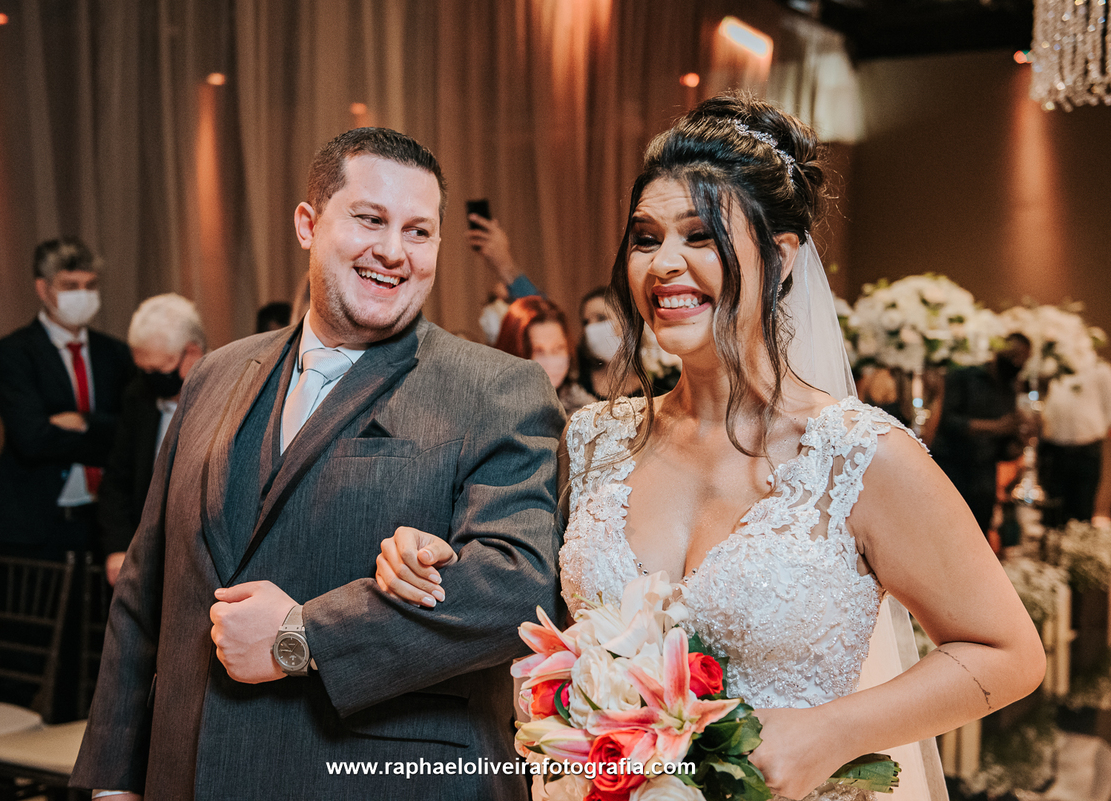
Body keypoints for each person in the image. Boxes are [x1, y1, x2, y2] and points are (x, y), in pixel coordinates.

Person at [376, 94, 1044, 801]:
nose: (664, 263)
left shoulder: (857, 456)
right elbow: (535, 605)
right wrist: (436, 556)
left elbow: (1007, 652)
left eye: (700, 236)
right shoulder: (596, 439)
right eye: (644, 237)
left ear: (782, 258)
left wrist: (830, 731)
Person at [71, 127, 566, 801]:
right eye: (370, 219)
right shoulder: (215, 374)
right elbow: (146, 588)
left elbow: (516, 587)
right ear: (308, 224)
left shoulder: (496, 387)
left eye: (419, 231)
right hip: (184, 774)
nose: (393, 252)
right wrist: (114, 779)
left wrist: (300, 636)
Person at [0, 237, 134, 721]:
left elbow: (127, 435)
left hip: (94, 527)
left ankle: (72, 781)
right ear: (43, 289)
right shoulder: (10, 353)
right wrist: (97, 428)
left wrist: (80, 422)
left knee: (87, 662)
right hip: (29, 530)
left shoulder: (116, 354)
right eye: (70, 285)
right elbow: (31, 439)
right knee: (20, 657)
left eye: (90, 285)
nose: (82, 295)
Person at [97, 294, 207, 587]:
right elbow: (117, 480)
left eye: (158, 371)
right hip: (145, 558)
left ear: (192, 353)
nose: (150, 380)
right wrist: (118, 547)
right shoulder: (139, 397)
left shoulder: (230, 393)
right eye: (142, 371)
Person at [931, 333, 1031, 534]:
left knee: (979, 535)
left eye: (1023, 359)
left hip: (984, 476)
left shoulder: (1010, 389)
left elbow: (1004, 450)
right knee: (945, 532)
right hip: (952, 468)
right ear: (1000, 350)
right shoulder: (964, 377)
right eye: (1014, 355)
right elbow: (949, 422)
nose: (1017, 363)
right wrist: (996, 426)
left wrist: (1021, 440)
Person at [494, 296, 596, 417]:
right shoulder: (494, 414)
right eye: (538, 351)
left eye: (558, 348)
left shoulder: (585, 411)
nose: (550, 360)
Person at [1039, 357, 1111, 525]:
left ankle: (1076, 548)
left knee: (1082, 508)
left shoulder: (1100, 370)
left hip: (1087, 449)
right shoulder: (1050, 367)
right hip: (1054, 449)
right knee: (1052, 509)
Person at [576, 286, 642, 401]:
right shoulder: (578, 378)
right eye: (586, 322)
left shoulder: (657, 377)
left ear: (625, 320)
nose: (591, 328)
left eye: (601, 318)